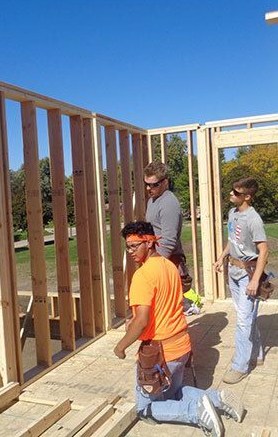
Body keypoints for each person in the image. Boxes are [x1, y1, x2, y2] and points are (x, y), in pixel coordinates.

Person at [114, 221, 244, 436]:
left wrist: (121, 346)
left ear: (149, 242)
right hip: (181, 345)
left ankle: (196, 411)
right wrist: (136, 319)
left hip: (160, 353)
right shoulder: (168, 266)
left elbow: (142, 321)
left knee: (145, 407)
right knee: (173, 391)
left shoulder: (142, 275)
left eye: (134, 245)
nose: (130, 251)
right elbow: (159, 306)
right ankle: (217, 398)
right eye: (127, 247)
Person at [214, 178, 269, 384]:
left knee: (244, 321)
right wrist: (222, 257)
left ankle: (240, 366)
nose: (231, 195)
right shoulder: (233, 213)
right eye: (231, 191)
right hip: (233, 271)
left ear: (247, 196)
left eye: (235, 193)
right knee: (245, 317)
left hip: (248, 274)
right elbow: (232, 240)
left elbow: (264, 251)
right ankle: (258, 353)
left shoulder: (253, 219)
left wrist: (255, 280)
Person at [144, 161, 196, 313]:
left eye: (153, 185)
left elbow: (168, 240)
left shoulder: (168, 203)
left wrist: (155, 266)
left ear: (165, 182)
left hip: (167, 262)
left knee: (170, 311)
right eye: (146, 184)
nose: (149, 188)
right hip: (157, 260)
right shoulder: (152, 200)